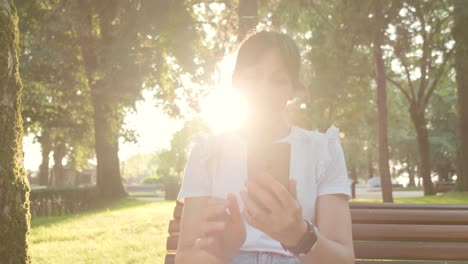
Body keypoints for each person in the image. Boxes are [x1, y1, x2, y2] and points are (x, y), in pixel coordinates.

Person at [175, 30, 355, 264]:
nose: (264, 89)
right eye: (253, 76)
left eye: (278, 79)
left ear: (293, 89)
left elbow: (343, 259)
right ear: (236, 82)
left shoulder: (323, 150)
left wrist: (300, 236)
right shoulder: (208, 153)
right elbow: (186, 256)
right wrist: (221, 254)